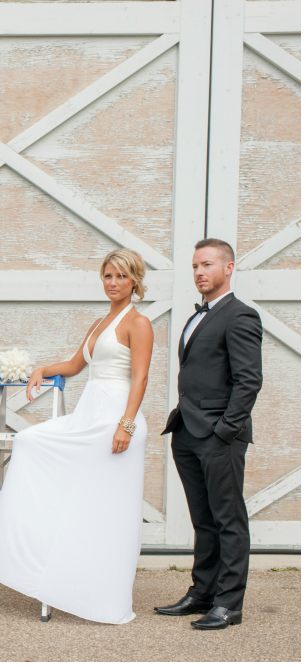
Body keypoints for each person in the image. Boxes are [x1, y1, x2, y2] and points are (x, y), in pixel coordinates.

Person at [0, 249, 153, 624]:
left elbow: (140, 377)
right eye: (107, 276)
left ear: (135, 281)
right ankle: (50, 568)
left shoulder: (138, 323)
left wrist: (125, 425)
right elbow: (76, 366)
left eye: (121, 277)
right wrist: (42, 369)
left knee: (107, 512)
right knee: (29, 442)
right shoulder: (99, 321)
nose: (112, 283)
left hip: (114, 420)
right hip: (89, 413)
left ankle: (103, 595)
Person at [155, 238, 263, 630]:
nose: (200, 272)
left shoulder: (241, 316)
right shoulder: (196, 315)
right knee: (203, 520)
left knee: (228, 520)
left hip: (219, 437)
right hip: (186, 431)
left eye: (208, 265)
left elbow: (249, 381)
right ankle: (202, 593)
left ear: (229, 268)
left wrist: (224, 431)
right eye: (196, 266)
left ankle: (229, 604)